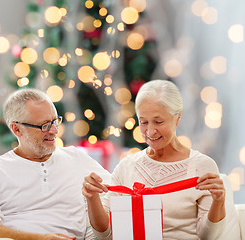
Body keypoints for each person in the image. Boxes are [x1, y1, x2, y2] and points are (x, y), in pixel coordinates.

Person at [82, 79, 226, 239]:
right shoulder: (127, 166)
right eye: (143, 122)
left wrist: (218, 201)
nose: (150, 131)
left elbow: (208, 236)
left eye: (158, 122)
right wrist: (92, 198)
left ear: (178, 117)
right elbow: (105, 235)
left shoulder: (202, 166)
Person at [0, 88, 110, 240]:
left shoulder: (77, 158)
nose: (54, 131)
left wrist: (93, 195)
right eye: (44, 125)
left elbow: (120, 191)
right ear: (17, 129)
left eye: (55, 121)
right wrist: (41, 239)